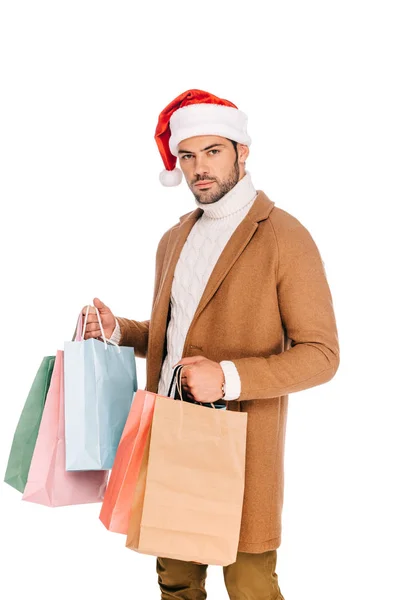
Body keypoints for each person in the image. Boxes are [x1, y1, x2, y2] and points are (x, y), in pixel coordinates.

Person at [82, 88, 340, 600]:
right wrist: (119, 332)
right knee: (175, 579)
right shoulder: (174, 238)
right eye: (187, 155)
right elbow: (176, 334)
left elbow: (323, 355)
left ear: (243, 152)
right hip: (170, 432)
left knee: (249, 584)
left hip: (239, 446)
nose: (199, 167)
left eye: (213, 151)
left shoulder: (285, 237)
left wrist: (229, 375)